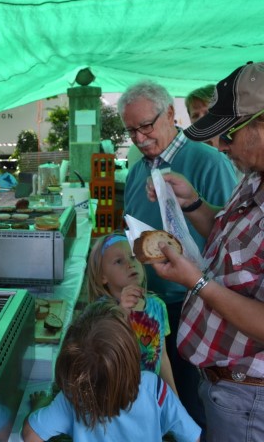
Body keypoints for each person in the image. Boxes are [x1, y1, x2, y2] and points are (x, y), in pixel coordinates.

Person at [148, 61, 264, 442]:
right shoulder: (254, 176)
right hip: (223, 386)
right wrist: (193, 203)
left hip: (251, 399)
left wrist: (196, 282)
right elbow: (232, 236)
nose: (221, 145)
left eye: (229, 133)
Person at [119, 80, 237, 429]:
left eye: (146, 126)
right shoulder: (138, 170)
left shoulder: (208, 162)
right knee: (157, 400)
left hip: (194, 306)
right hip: (151, 307)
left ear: (170, 113)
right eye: (131, 131)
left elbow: (229, 240)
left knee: (192, 404)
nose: (139, 138)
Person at [21, 301, 200, 442]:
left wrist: (40, 404)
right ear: (131, 351)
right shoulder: (153, 388)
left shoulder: (72, 397)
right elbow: (192, 437)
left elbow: (30, 435)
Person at [86, 233, 176, 393]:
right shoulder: (99, 312)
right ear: (102, 277)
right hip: (114, 396)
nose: (130, 264)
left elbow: (162, 357)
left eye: (133, 257)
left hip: (149, 396)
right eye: (119, 261)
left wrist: (174, 397)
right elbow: (97, 354)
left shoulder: (157, 306)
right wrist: (122, 311)